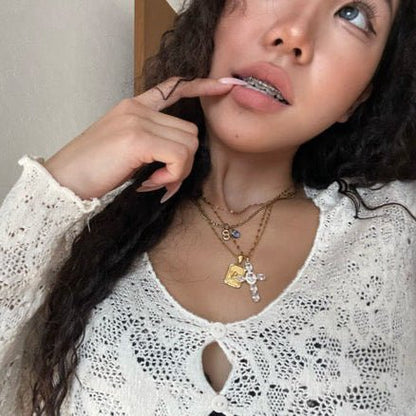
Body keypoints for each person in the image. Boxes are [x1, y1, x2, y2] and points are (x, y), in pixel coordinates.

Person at [1, 0, 416, 414]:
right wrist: (62, 182)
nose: (293, 35)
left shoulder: (397, 228)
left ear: (360, 95)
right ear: (215, 14)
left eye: (352, 14)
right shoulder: (69, 227)